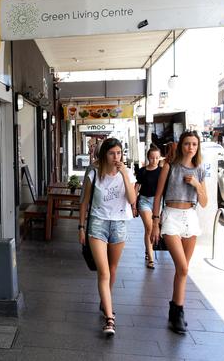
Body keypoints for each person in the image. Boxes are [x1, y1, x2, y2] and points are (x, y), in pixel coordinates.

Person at [151, 130, 208, 334]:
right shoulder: (170, 166)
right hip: (171, 217)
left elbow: (204, 202)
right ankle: (178, 310)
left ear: (197, 147)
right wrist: (155, 223)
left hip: (190, 218)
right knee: (183, 267)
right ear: (181, 145)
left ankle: (176, 311)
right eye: (187, 144)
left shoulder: (199, 169)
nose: (190, 147)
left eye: (194, 144)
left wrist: (196, 184)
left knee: (182, 270)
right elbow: (158, 196)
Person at [79, 138, 137, 336]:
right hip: (98, 223)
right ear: (105, 154)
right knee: (104, 272)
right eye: (112, 153)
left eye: (119, 153)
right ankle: (109, 318)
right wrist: (80, 227)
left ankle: (105, 302)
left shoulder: (126, 173)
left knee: (112, 269)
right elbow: (84, 202)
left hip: (119, 224)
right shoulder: (94, 173)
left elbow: (132, 200)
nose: (116, 157)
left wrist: (124, 174)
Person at [133, 146, 162, 269]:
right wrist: (133, 205)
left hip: (157, 202)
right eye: (152, 158)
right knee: (149, 228)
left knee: (151, 229)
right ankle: (151, 258)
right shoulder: (142, 171)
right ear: (148, 157)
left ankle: (147, 249)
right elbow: (136, 188)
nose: (154, 160)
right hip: (144, 201)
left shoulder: (162, 171)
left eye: (156, 158)